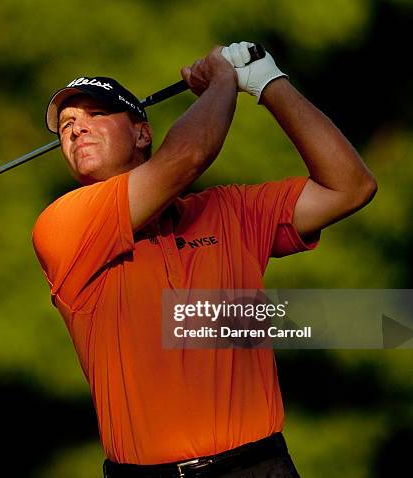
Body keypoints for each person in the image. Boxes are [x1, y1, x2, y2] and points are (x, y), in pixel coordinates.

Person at [32, 42, 377, 478]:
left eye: (96, 114)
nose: (77, 129)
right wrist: (222, 81)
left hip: (257, 466)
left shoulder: (228, 210)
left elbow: (350, 187)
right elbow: (188, 157)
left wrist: (268, 82)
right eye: (66, 125)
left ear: (142, 132)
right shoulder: (63, 225)